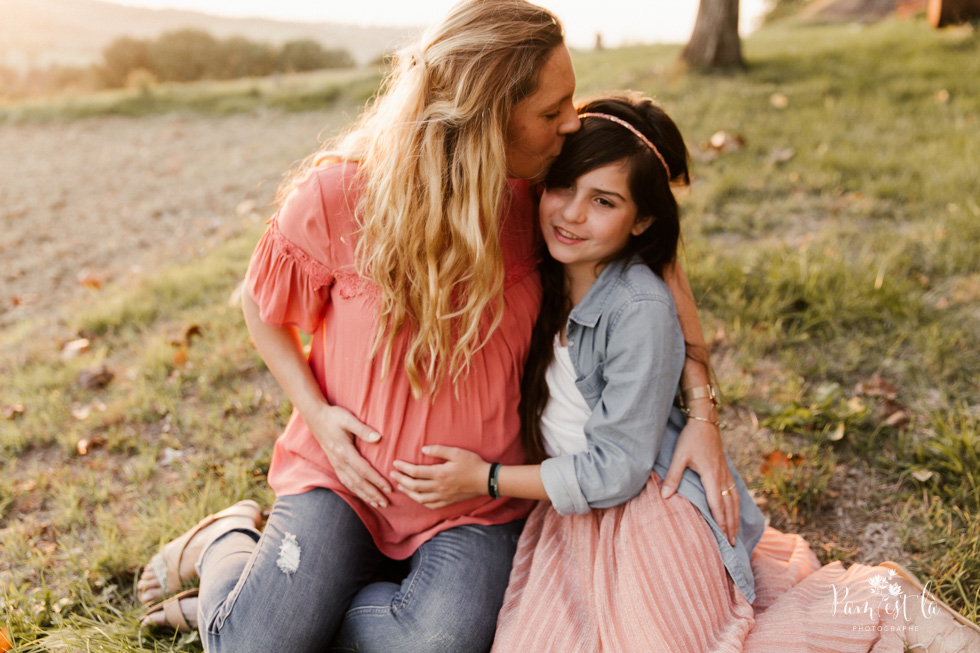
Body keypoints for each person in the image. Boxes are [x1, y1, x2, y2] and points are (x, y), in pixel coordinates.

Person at [134, 2, 736, 651]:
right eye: (551, 108)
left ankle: (296, 606)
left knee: (436, 641)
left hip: (477, 505)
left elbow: (661, 275)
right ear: (484, 117)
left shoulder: (538, 197)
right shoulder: (338, 194)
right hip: (344, 480)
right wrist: (316, 414)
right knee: (254, 646)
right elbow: (261, 305)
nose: (573, 120)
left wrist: (702, 411)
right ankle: (229, 536)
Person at [392, 94, 980, 652]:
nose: (572, 213)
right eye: (565, 186)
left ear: (642, 220)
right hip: (571, 512)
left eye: (604, 201)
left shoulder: (637, 306)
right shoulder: (544, 260)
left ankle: (883, 602)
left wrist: (486, 479)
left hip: (644, 505)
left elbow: (618, 468)